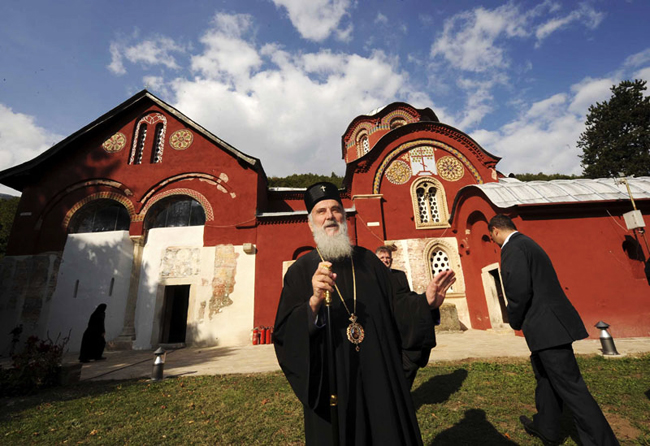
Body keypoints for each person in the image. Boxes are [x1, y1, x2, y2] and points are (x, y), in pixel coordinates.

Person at [274, 182, 455, 445]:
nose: (330, 216)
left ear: (344, 217)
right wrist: (313, 303)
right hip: (335, 383)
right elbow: (286, 333)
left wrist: (425, 303)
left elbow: (397, 305)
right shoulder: (300, 272)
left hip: (378, 373)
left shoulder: (369, 262)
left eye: (336, 209)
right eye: (321, 211)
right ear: (311, 223)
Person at [488, 214, 618, 446]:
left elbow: (518, 291)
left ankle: (602, 441)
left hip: (546, 328)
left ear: (496, 230)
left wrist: (514, 320)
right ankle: (546, 428)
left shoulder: (513, 248)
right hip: (550, 327)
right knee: (545, 377)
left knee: (572, 389)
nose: (493, 241)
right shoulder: (528, 243)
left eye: (491, 236)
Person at [375, 246, 441, 388]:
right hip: (382, 326)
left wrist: (425, 302)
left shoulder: (399, 275)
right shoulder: (371, 278)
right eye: (382, 258)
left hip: (401, 323)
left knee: (407, 362)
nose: (385, 260)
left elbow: (406, 297)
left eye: (388, 258)